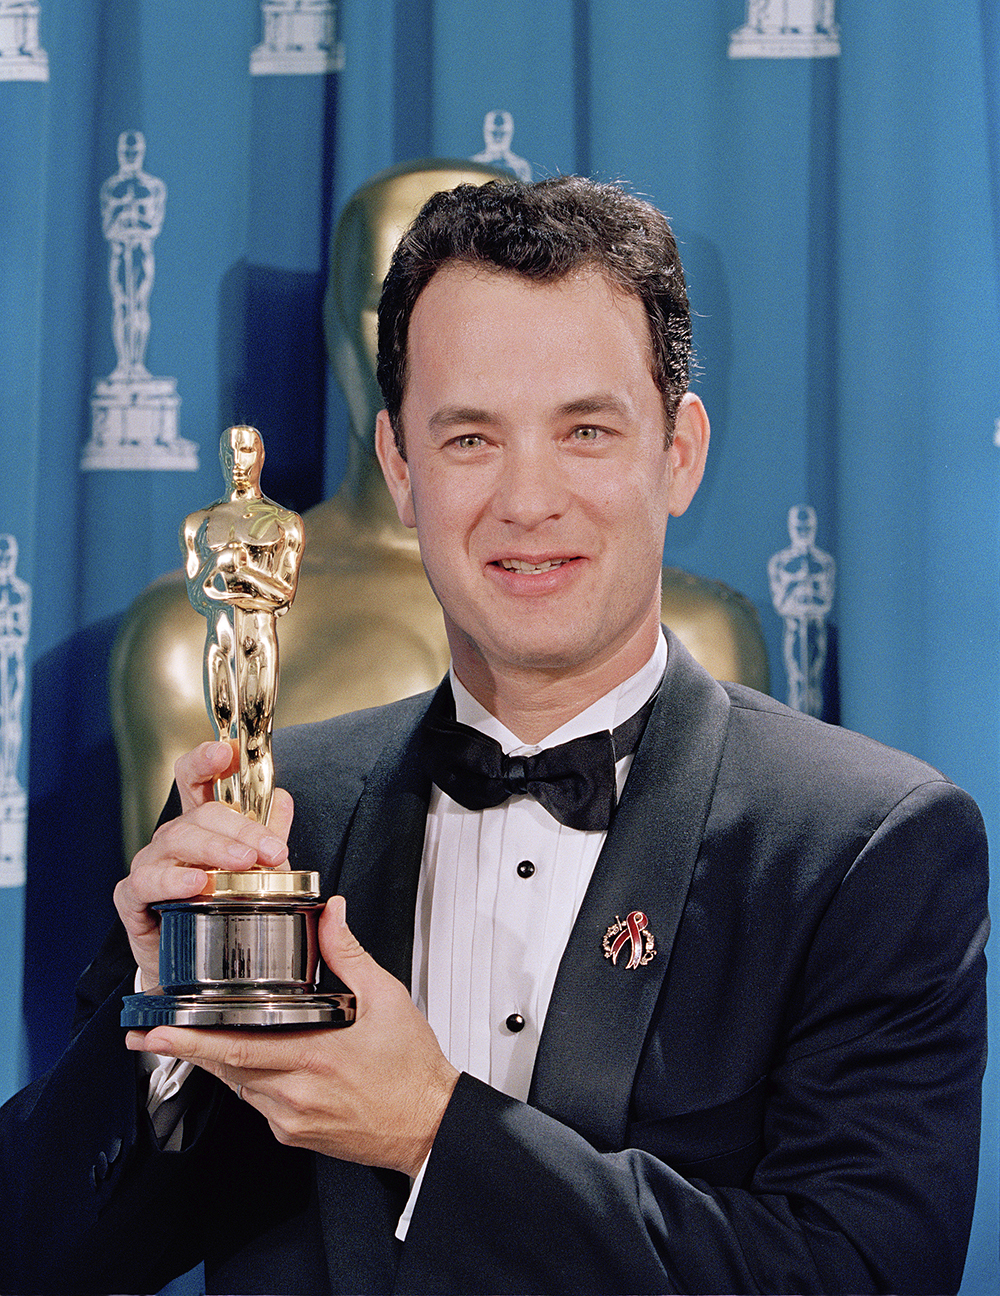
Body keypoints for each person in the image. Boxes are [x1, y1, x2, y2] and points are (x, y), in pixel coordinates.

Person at [1, 177, 988, 1296]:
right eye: (470, 436)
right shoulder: (273, 821)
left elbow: (857, 1276)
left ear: (678, 452)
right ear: (400, 468)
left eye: (585, 431)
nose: (528, 499)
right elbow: (33, 1252)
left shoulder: (863, 850)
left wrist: (433, 1130)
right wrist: (156, 1029)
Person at [181, 425, 304, 823]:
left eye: (247, 450)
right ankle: (230, 843)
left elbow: (283, 592)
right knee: (224, 740)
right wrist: (223, 576)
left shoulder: (283, 522)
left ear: (260, 456)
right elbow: (199, 592)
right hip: (220, 640)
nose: (239, 461)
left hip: (258, 637)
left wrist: (241, 573)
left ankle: (258, 842)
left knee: (256, 738)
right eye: (231, 452)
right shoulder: (199, 522)